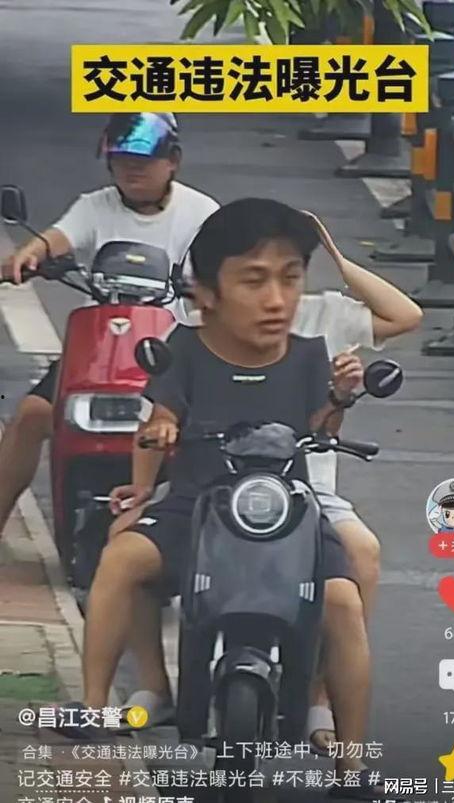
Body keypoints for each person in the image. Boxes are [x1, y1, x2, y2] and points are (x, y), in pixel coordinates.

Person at [54, 199, 416, 799]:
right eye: (254, 281)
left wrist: (340, 397)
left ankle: (350, 760)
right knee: (119, 559)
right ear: (206, 293)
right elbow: (160, 416)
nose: (276, 300)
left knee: (344, 602)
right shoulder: (185, 347)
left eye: (290, 278)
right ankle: (94, 706)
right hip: (195, 505)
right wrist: (152, 459)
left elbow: (321, 432)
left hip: (290, 510)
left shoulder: (310, 353)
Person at [0, 112, 219, 537]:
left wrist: (208, 293)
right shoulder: (94, 206)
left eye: (144, 160)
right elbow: (55, 238)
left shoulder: (202, 213)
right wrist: (31, 254)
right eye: (121, 160)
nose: (132, 169)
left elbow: (224, 274)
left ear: (173, 161)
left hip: (175, 353)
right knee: (30, 414)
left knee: (207, 436)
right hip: (101, 348)